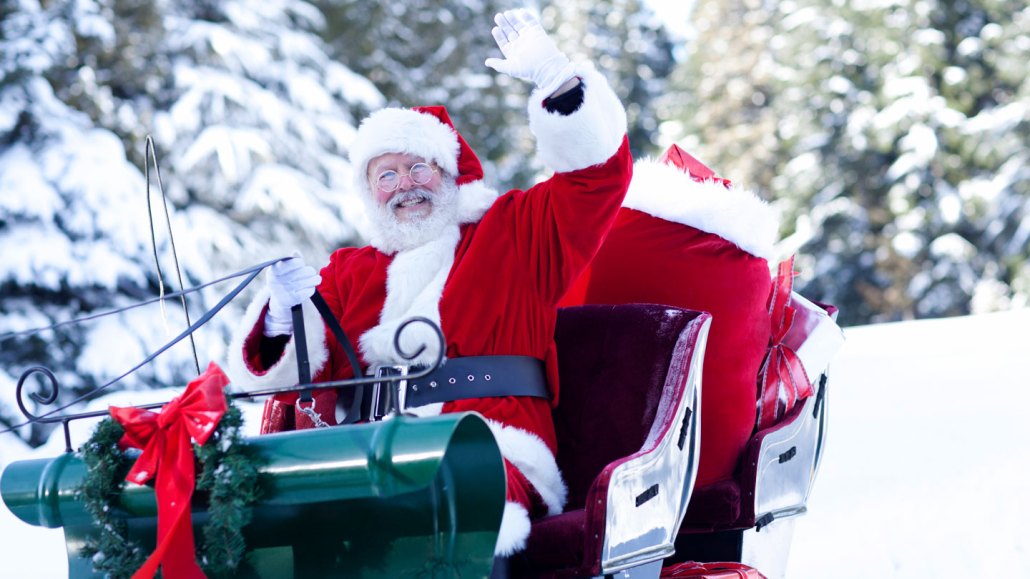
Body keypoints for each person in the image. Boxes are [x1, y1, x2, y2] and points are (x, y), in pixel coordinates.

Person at [226, 8, 631, 556]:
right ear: (370, 192)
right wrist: (280, 319)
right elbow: (300, 380)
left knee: (439, 495)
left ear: (448, 173)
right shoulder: (347, 272)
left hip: (492, 447)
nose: (404, 185)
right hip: (361, 452)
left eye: (418, 168)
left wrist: (558, 83)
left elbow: (595, 182)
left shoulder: (512, 233)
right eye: (386, 175)